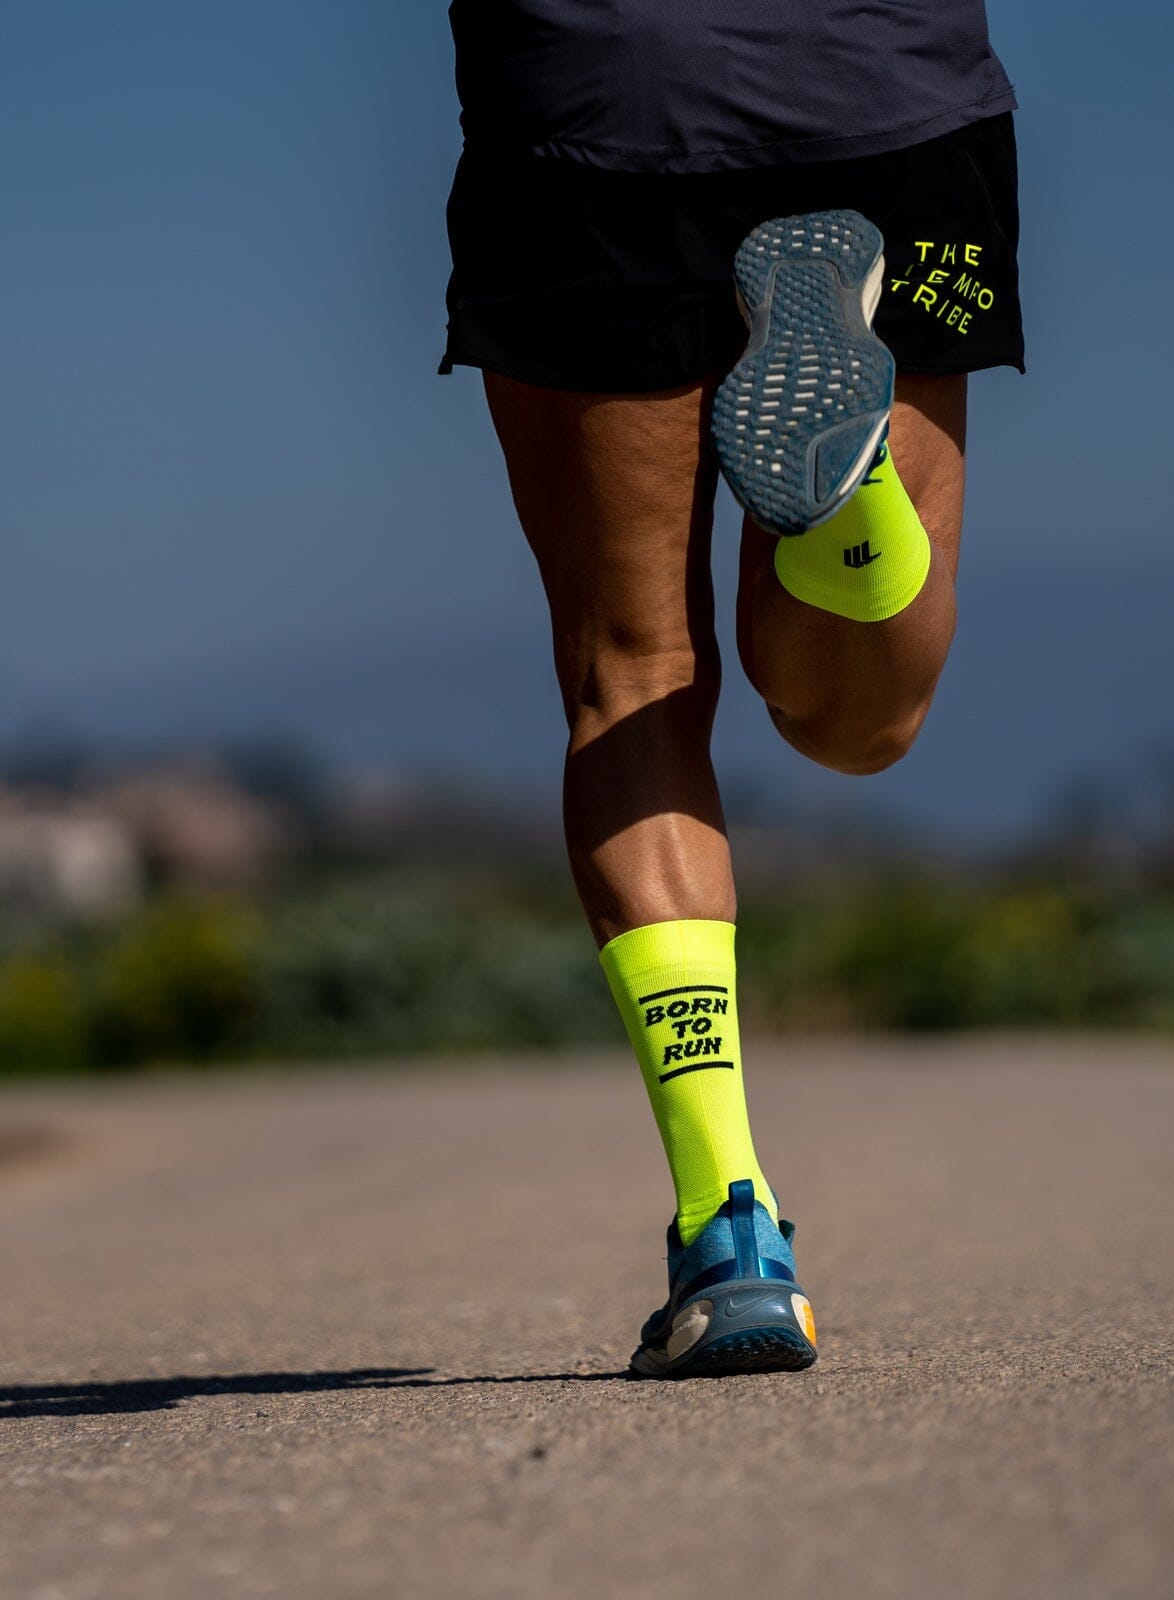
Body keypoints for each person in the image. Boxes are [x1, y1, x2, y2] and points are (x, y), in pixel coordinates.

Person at [439, 0, 1025, 1376]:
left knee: (634, 674)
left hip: (592, 111)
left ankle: (730, 1228)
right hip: (889, 102)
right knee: (862, 722)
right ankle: (851, 509)